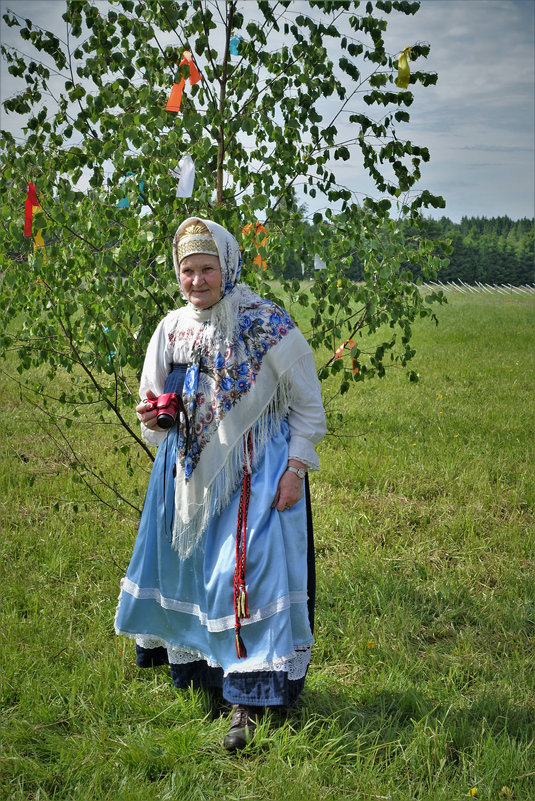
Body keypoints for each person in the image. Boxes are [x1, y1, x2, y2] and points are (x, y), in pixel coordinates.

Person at [115, 218, 326, 751]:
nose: (197, 281)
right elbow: (151, 404)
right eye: (188, 270)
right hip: (186, 476)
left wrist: (296, 469)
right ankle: (210, 679)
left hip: (257, 475)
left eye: (207, 268)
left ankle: (248, 701)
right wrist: (155, 416)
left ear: (228, 266)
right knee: (196, 577)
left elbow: (308, 406)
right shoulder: (171, 328)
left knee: (248, 577)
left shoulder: (267, 324)